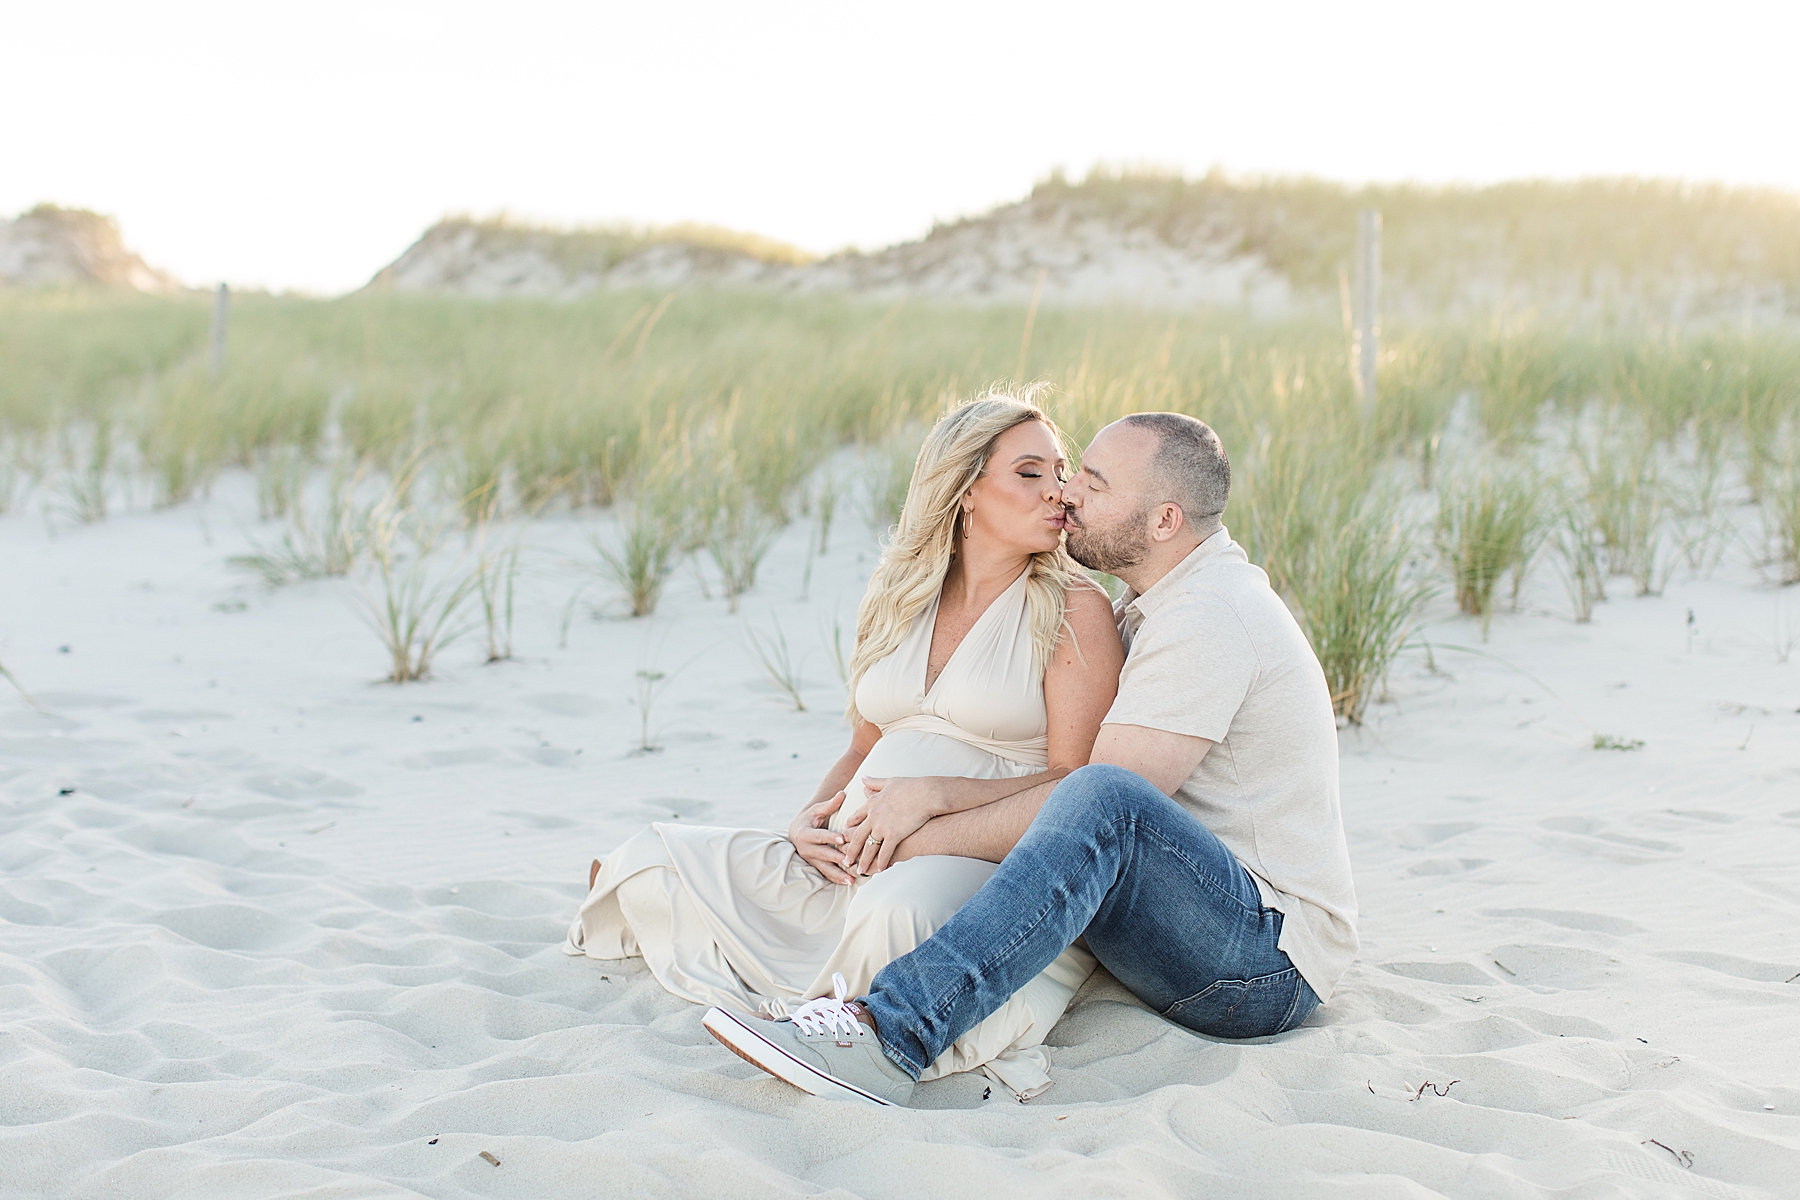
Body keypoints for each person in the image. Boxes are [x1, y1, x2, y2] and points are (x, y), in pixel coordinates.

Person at [702, 412, 1359, 1107]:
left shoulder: (1208, 617)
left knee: (1105, 795)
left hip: (1261, 963)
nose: (1068, 493)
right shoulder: (1158, 602)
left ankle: (891, 1034)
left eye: (1094, 485)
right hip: (1189, 916)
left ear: (1164, 521)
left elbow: (1101, 808)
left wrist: (913, 834)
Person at [567, 391, 1124, 1098]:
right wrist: (810, 817)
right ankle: (804, 976)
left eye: (1061, 469)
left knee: (900, 914)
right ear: (965, 493)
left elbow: (1076, 781)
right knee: (656, 854)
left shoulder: (1075, 608)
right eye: (1030, 472)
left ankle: (844, 1025)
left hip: (976, 851)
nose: (1060, 491)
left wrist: (933, 800)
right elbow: (864, 746)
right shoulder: (900, 591)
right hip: (857, 844)